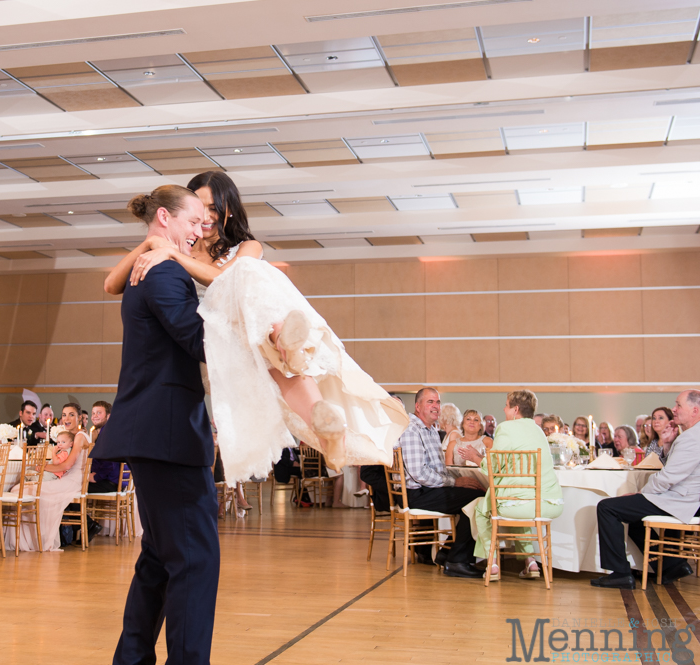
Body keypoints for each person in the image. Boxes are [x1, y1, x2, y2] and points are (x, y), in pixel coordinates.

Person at [105, 172, 408, 483]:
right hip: (215, 338)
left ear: (229, 210)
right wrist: (152, 243)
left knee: (259, 297)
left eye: (213, 208)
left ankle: (325, 425)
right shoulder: (179, 246)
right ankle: (282, 338)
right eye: (198, 210)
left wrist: (167, 250)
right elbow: (111, 283)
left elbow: (224, 278)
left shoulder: (244, 247)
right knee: (264, 332)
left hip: (249, 329)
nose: (205, 218)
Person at [93, 184, 219, 665]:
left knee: (160, 557)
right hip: (167, 433)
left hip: (156, 430)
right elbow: (199, 340)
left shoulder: (149, 266)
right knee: (194, 558)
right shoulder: (164, 271)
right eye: (193, 222)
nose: (199, 231)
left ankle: (131, 660)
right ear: (164, 218)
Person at [592, 390, 700, 589]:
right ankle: (671, 565)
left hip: (682, 500)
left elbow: (668, 478)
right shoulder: (690, 435)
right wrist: (667, 445)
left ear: (695, 410)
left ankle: (620, 573)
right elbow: (674, 468)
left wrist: (642, 493)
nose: (674, 410)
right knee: (633, 518)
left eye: (678, 406)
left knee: (607, 507)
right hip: (681, 496)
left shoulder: (693, 437)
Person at [463, 390, 562, 581]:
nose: (504, 408)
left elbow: (494, 467)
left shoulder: (506, 428)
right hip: (549, 502)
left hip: (521, 503)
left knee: (483, 510)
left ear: (515, 409)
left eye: (506, 405)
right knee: (513, 507)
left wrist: (476, 458)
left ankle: (491, 564)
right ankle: (531, 562)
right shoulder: (538, 430)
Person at [398, 387, 485, 578]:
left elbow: (439, 469)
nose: (436, 406)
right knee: (479, 498)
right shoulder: (412, 429)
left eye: (437, 402)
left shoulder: (431, 430)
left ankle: (447, 552)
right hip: (417, 494)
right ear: (418, 406)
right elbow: (418, 473)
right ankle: (457, 560)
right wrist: (454, 483)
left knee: (476, 492)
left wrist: (458, 480)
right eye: (430, 402)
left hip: (427, 490)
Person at [13, 403, 93, 551]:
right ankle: (29, 538)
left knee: (27, 490)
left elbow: (67, 465)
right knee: (21, 488)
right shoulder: (71, 436)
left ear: (80, 418)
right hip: (66, 477)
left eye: (71, 414)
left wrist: (43, 468)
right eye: (64, 415)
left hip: (72, 480)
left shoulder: (80, 436)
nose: (66, 418)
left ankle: (37, 539)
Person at [87, 401, 119, 493]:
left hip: (110, 483)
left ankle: (80, 508)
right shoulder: (107, 431)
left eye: (99, 413)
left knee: (74, 489)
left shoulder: (108, 433)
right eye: (93, 413)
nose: (94, 416)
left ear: (108, 416)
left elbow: (110, 462)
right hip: (112, 481)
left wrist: (96, 477)